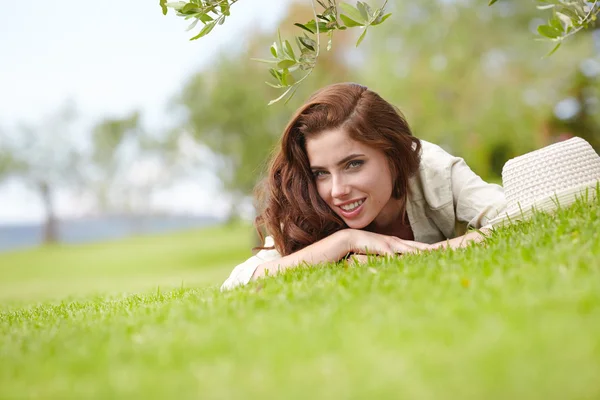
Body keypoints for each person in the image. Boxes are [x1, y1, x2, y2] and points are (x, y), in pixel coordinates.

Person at [221, 82, 506, 290]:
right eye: (321, 172)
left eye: (353, 164)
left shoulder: (433, 169)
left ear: (394, 155)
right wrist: (345, 242)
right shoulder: (309, 200)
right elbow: (237, 283)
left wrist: (418, 254)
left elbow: (523, 214)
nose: (337, 190)